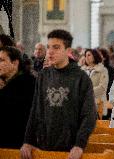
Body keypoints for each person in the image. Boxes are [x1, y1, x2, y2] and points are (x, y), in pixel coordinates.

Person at [20, 29, 95, 159]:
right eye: (48, 47)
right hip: (43, 146)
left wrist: (79, 145)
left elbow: (89, 115)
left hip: (71, 149)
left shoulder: (80, 78)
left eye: (56, 47)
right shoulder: (43, 75)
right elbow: (35, 110)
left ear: (68, 51)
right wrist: (28, 141)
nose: (50, 51)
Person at [0, 46, 35, 148]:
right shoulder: (6, 82)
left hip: (16, 144)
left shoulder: (27, 83)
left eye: (1, 60)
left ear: (15, 63)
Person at [81, 48, 109, 119]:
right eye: (85, 55)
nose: (86, 57)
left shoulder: (103, 70)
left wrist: (87, 92)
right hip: (83, 104)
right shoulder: (82, 70)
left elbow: (102, 87)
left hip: (98, 104)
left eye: (89, 55)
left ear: (95, 56)